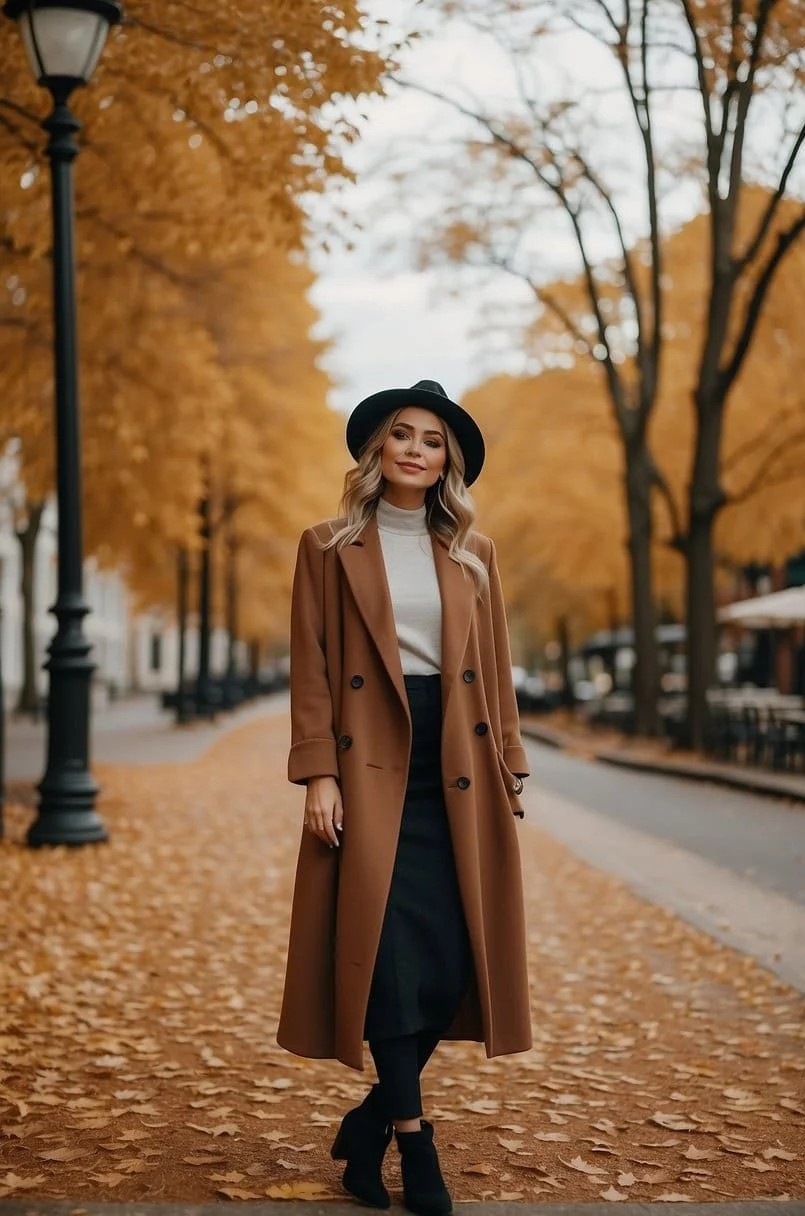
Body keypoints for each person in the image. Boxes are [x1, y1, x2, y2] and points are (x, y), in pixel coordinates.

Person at [276, 379, 531, 1216]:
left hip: (458, 757)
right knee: (383, 956)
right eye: (402, 435)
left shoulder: (473, 551)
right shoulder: (326, 545)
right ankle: (415, 1140)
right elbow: (311, 666)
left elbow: (492, 666)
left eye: (432, 440)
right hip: (369, 755)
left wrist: (512, 761)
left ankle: (368, 1121)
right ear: (377, 450)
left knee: (457, 955)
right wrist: (318, 770)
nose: (416, 449)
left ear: (446, 460)